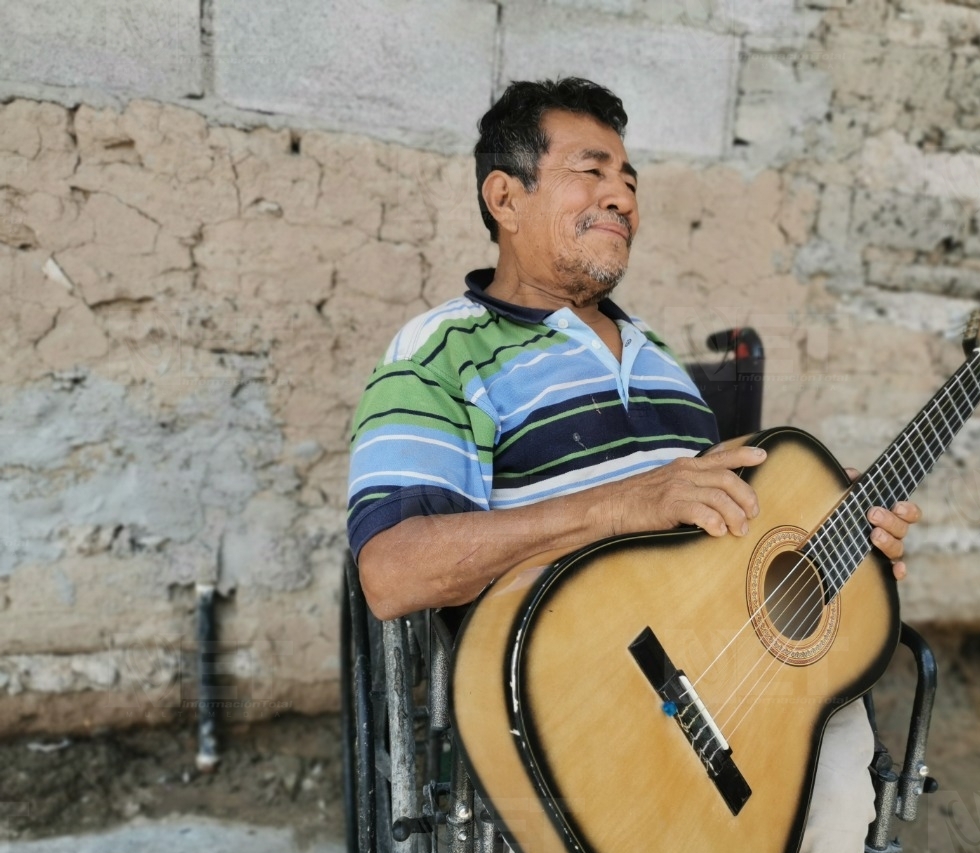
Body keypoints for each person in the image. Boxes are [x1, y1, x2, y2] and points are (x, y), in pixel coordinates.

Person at [347, 77, 921, 851]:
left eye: (629, 181)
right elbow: (392, 572)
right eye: (592, 170)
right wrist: (618, 504)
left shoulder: (657, 359)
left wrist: (844, 536)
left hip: (746, 681)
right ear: (505, 197)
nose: (621, 196)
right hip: (596, 714)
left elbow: (720, 548)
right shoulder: (441, 351)